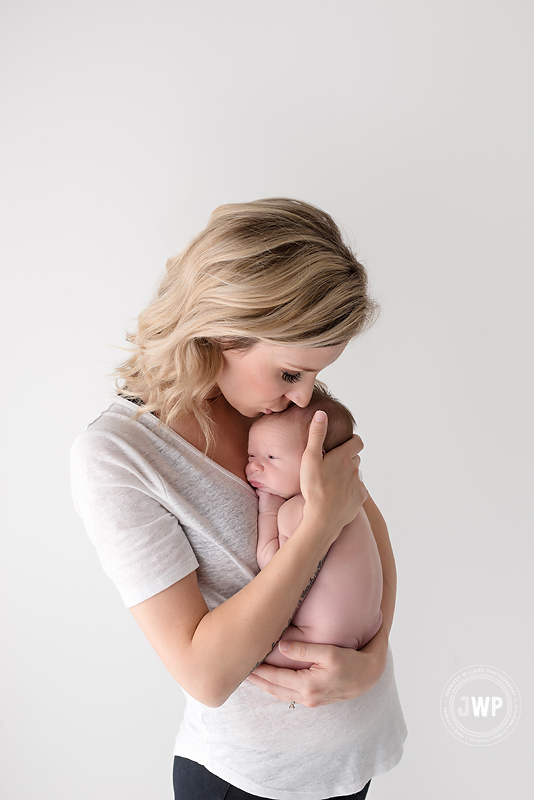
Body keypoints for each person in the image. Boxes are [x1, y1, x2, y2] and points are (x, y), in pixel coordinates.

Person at [71, 197, 407, 800]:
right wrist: (314, 527)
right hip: (251, 782)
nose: (307, 398)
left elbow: (369, 533)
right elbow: (206, 673)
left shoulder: (278, 411)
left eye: (314, 375)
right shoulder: (119, 456)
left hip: (356, 759)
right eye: (289, 373)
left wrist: (374, 656)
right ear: (224, 328)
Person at [248, 385, 383, 671]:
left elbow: (273, 564)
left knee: (247, 657)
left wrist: (268, 506)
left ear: (318, 460)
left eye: (271, 458)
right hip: (372, 625)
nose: (254, 467)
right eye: (251, 456)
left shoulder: (296, 511)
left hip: (318, 640)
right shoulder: (351, 499)